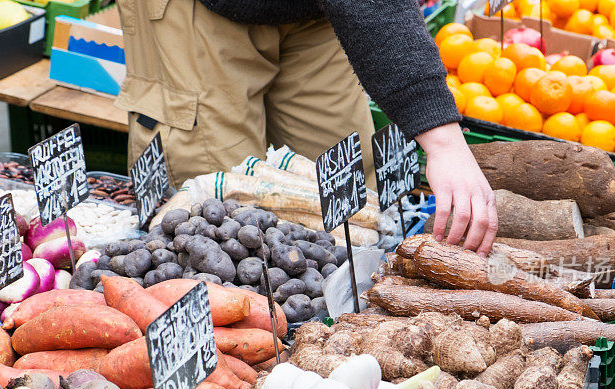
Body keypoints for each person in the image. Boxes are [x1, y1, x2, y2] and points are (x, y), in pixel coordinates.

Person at [114, 0, 498, 255]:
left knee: (352, 208)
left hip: (309, 9)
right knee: (216, 223)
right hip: (198, 7)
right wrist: (443, 140)